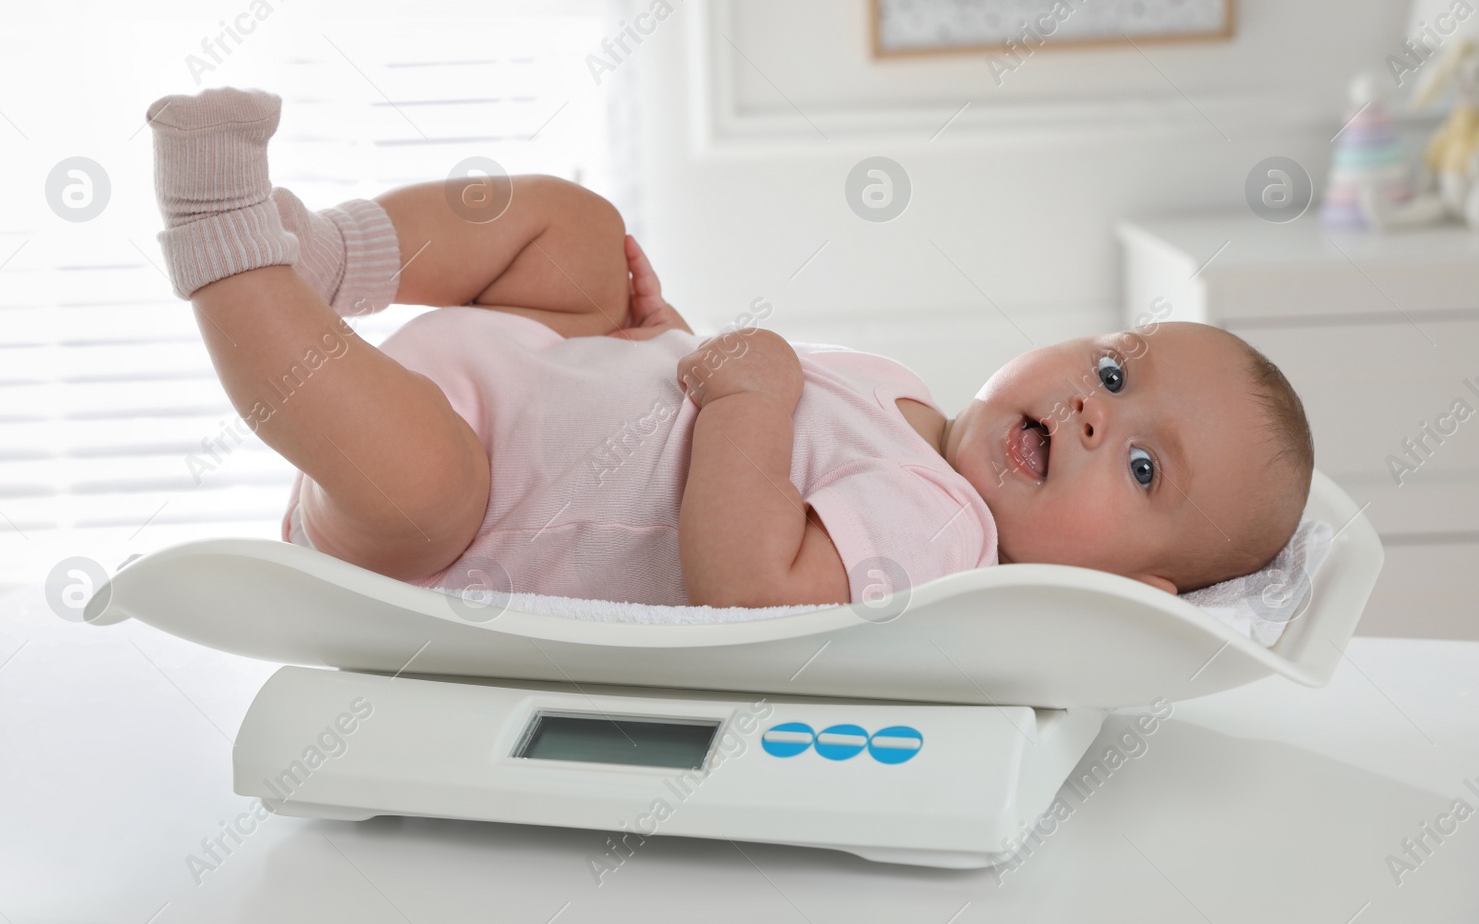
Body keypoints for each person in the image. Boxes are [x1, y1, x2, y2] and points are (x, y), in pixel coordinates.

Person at [147, 87, 1313, 609]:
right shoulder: (903, 399)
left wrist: (746, 399)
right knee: (580, 231)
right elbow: (698, 416)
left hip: (463, 505)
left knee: (426, 483)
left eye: (1144, 467)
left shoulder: (947, 541)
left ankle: (229, 248)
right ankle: (328, 260)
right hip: (536, 377)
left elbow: (745, 581)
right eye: (1114, 369)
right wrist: (661, 339)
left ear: (1135, 591)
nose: (1098, 411)